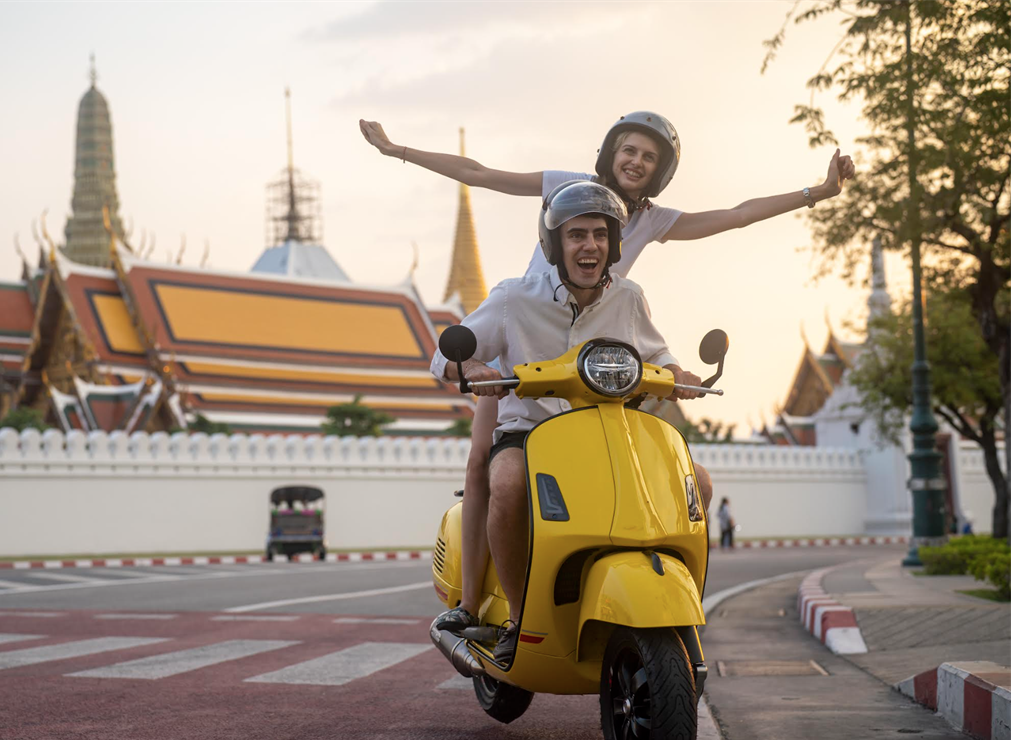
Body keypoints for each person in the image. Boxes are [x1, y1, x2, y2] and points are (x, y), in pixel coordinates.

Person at [362, 111, 855, 633]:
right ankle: (485, 610)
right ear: (609, 153)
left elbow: (737, 215)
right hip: (517, 355)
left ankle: (668, 605)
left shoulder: (644, 242)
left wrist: (818, 192)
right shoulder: (561, 199)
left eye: (649, 156)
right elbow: (482, 174)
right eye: (629, 151)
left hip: (598, 363)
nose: (637, 162)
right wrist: (399, 151)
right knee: (489, 472)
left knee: (692, 483)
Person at [429, 180, 705, 665]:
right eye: (577, 235)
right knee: (509, 483)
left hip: (609, 432)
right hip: (530, 434)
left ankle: (681, 613)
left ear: (613, 244)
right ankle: (518, 616)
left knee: (696, 481)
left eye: (600, 234)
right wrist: (471, 368)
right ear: (555, 245)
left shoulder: (629, 298)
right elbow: (443, 356)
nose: (590, 246)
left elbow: (658, 353)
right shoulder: (515, 298)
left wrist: (679, 373)